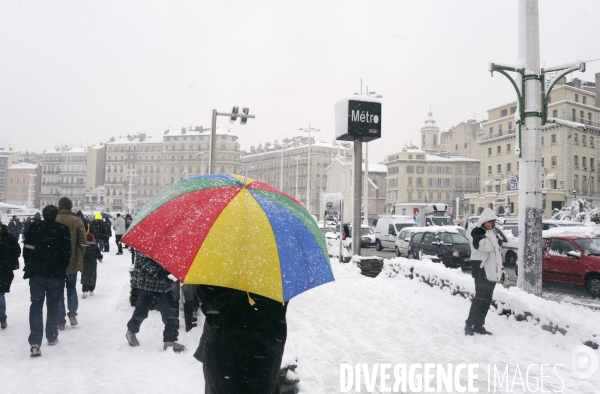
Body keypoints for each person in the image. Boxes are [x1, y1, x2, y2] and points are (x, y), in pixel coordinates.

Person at [194, 285, 288, 394]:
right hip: (267, 350)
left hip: (229, 351)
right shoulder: (278, 274)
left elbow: (213, 308)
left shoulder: (224, 272)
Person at [23, 205, 71, 357]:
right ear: (56, 215)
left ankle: (35, 342)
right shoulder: (63, 229)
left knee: (36, 306)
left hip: (37, 272)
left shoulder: (33, 227)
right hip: (55, 274)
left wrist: (30, 263)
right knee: (53, 306)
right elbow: (67, 252)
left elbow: (27, 248)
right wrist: (62, 268)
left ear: (43, 215)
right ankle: (51, 335)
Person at [125, 251, 185, 353]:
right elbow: (142, 261)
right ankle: (131, 331)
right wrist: (157, 271)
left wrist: (171, 270)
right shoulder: (147, 238)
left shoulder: (170, 239)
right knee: (141, 311)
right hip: (147, 282)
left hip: (164, 284)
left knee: (170, 312)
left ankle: (170, 341)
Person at [465, 208, 503, 336]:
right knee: (479, 300)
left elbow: (496, 253)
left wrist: (499, 270)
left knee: (487, 300)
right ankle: (469, 325)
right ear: (486, 222)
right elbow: (486, 247)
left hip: (491, 272)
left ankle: (479, 325)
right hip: (481, 271)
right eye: (492, 222)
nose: (494, 224)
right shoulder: (476, 232)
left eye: (494, 222)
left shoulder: (491, 233)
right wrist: (489, 232)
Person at [56, 197, 87, 330]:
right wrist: (78, 256)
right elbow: (83, 242)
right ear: (70, 207)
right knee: (71, 288)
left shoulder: (54, 219)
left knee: (58, 291)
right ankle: (72, 315)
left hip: (57, 263)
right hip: (72, 261)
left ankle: (60, 321)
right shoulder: (77, 220)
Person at [0, 223, 21, 330]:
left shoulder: (8, 236)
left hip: (4, 267)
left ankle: (3, 319)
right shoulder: (8, 236)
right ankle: (2, 319)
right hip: (4, 269)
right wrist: (10, 263)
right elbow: (17, 251)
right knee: (0, 294)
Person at [81, 233, 103, 298]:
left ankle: (85, 290)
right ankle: (91, 290)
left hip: (84, 264)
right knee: (92, 276)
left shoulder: (83, 247)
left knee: (85, 276)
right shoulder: (95, 247)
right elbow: (99, 255)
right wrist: (100, 258)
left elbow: (80, 255)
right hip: (93, 264)